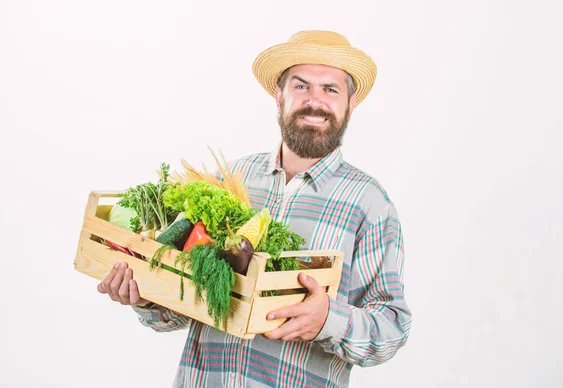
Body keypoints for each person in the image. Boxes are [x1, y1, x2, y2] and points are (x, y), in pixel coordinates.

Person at [97, 30, 412, 387]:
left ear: (350, 105)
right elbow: (184, 304)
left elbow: (391, 328)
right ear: (279, 95)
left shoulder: (370, 205)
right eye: (301, 86)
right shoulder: (231, 179)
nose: (315, 101)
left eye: (330, 89)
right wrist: (146, 297)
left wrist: (328, 319)